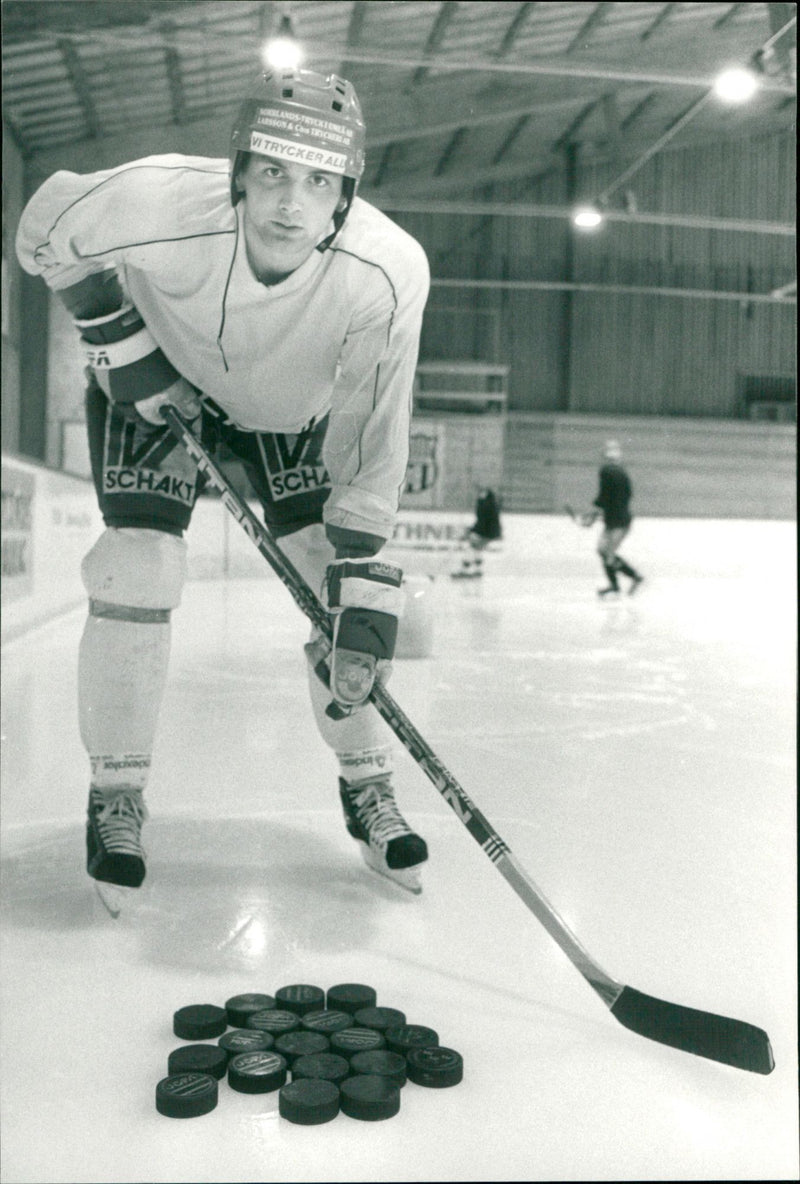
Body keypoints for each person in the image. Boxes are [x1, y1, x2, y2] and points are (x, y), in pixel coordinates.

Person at [15, 67, 432, 901]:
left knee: (331, 583)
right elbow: (42, 228)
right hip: (155, 381)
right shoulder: (159, 202)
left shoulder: (388, 269)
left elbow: (375, 422)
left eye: (318, 181)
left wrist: (358, 568)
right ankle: (117, 793)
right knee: (137, 567)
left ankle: (368, 783)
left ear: (344, 193)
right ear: (238, 169)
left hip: (291, 411)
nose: (290, 202)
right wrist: (119, 338)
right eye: (272, 172)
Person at [579, 440, 644, 597]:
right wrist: (597, 515)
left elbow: (604, 497)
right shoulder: (622, 473)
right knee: (604, 551)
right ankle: (619, 584)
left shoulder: (606, 472)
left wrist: (592, 517)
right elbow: (620, 498)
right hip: (619, 519)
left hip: (618, 522)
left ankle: (632, 578)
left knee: (607, 553)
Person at [451, 488, 503, 578]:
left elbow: (482, 522)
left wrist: (472, 530)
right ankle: (478, 570)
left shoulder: (484, 505)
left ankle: (465, 570)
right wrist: (473, 529)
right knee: (477, 549)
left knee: (471, 548)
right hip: (491, 532)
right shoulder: (491, 504)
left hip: (487, 532)